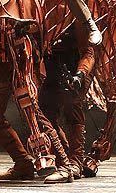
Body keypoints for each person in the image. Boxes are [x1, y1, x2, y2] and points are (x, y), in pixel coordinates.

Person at [40, 22, 95, 180]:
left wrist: (80, 74)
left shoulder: (75, 16)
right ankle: (62, 157)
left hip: (75, 67)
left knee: (72, 107)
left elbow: (88, 53)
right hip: (53, 65)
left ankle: (75, 161)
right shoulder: (46, 12)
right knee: (46, 111)